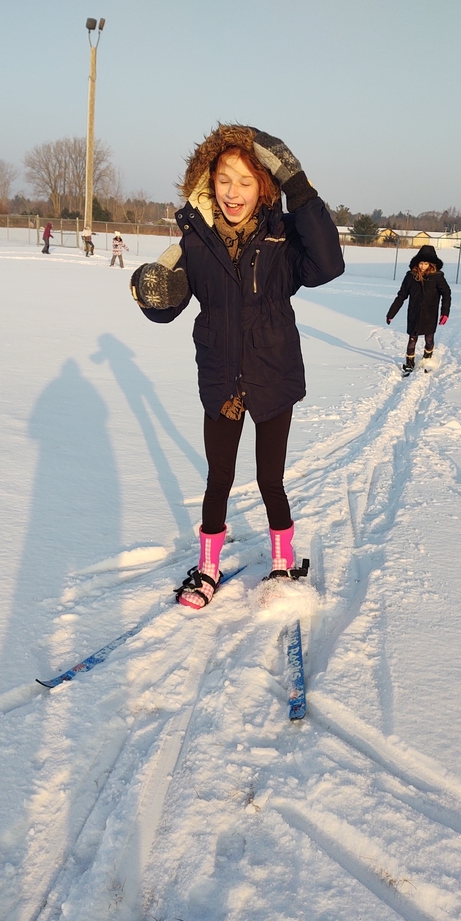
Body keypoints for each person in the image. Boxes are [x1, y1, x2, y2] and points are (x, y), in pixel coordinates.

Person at [130, 124, 344, 609]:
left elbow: (328, 265)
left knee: (270, 479)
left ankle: (282, 562)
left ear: (263, 185)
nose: (233, 192)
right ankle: (208, 568)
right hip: (222, 378)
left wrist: (298, 186)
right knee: (218, 478)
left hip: (273, 374)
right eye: (224, 179)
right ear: (209, 181)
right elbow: (168, 304)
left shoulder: (282, 237)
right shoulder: (195, 241)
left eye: (245, 181)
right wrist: (155, 293)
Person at [385, 244, 451, 374]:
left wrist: (445, 312)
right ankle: (409, 364)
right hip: (414, 313)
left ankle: (427, 360)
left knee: (429, 339)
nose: (422, 266)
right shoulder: (411, 277)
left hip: (430, 314)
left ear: (431, 264)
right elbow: (401, 295)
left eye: (426, 264)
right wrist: (391, 313)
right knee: (412, 340)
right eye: (421, 263)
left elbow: (446, 294)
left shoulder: (437, 277)